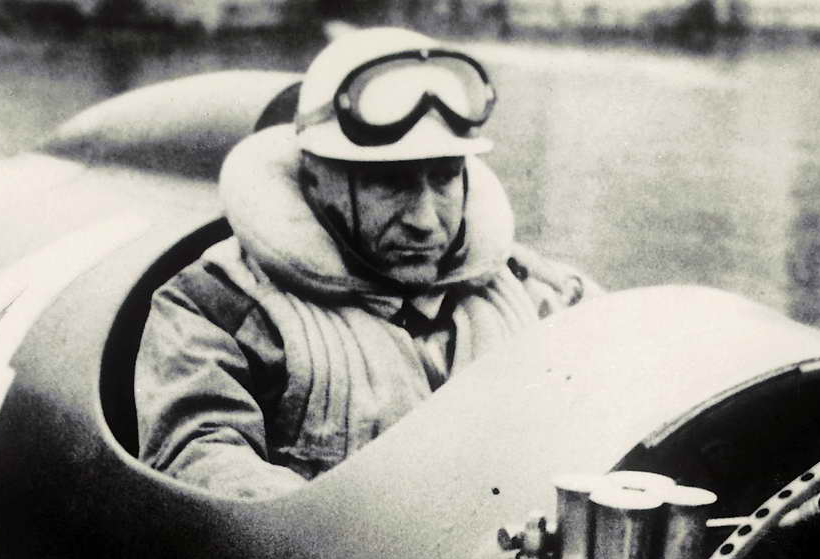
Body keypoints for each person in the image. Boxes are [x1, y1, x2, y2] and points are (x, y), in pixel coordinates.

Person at [135, 26, 599, 499]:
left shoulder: (531, 291)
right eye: (390, 183)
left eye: (443, 178)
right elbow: (197, 454)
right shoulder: (214, 307)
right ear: (316, 178)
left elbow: (627, 376)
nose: (425, 221)